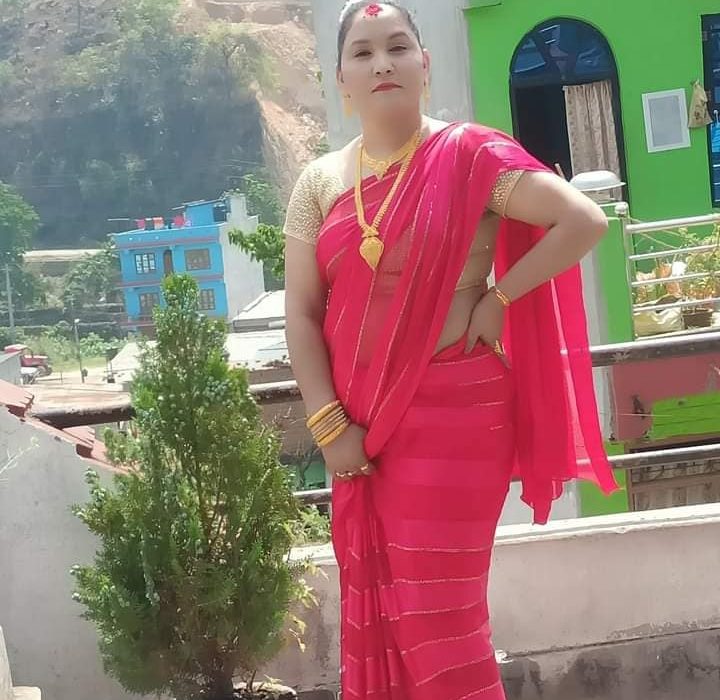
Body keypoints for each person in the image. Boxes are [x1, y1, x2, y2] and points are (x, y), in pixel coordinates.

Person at [283, 2, 619, 698]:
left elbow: (582, 219)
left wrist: (500, 299)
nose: (382, 63)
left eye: (397, 46)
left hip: (460, 417)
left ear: (424, 64)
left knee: (442, 623)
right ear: (341, 79)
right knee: (393, 621)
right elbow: (302, 312)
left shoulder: (468, 157)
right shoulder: (318, 184)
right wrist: (328, 426)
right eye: (363, 52)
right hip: (360, 428)